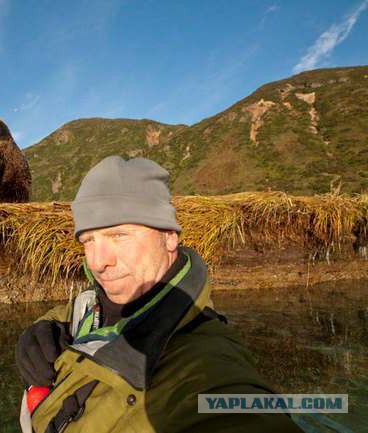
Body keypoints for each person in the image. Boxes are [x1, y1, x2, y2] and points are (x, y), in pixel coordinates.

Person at [15, 156, 303, 433]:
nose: (97, 261)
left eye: (119, 235)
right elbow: (79, 308)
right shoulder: (94, 304)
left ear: (169, 236)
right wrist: (45, 326)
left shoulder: (207, 365)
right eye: (88, 240)